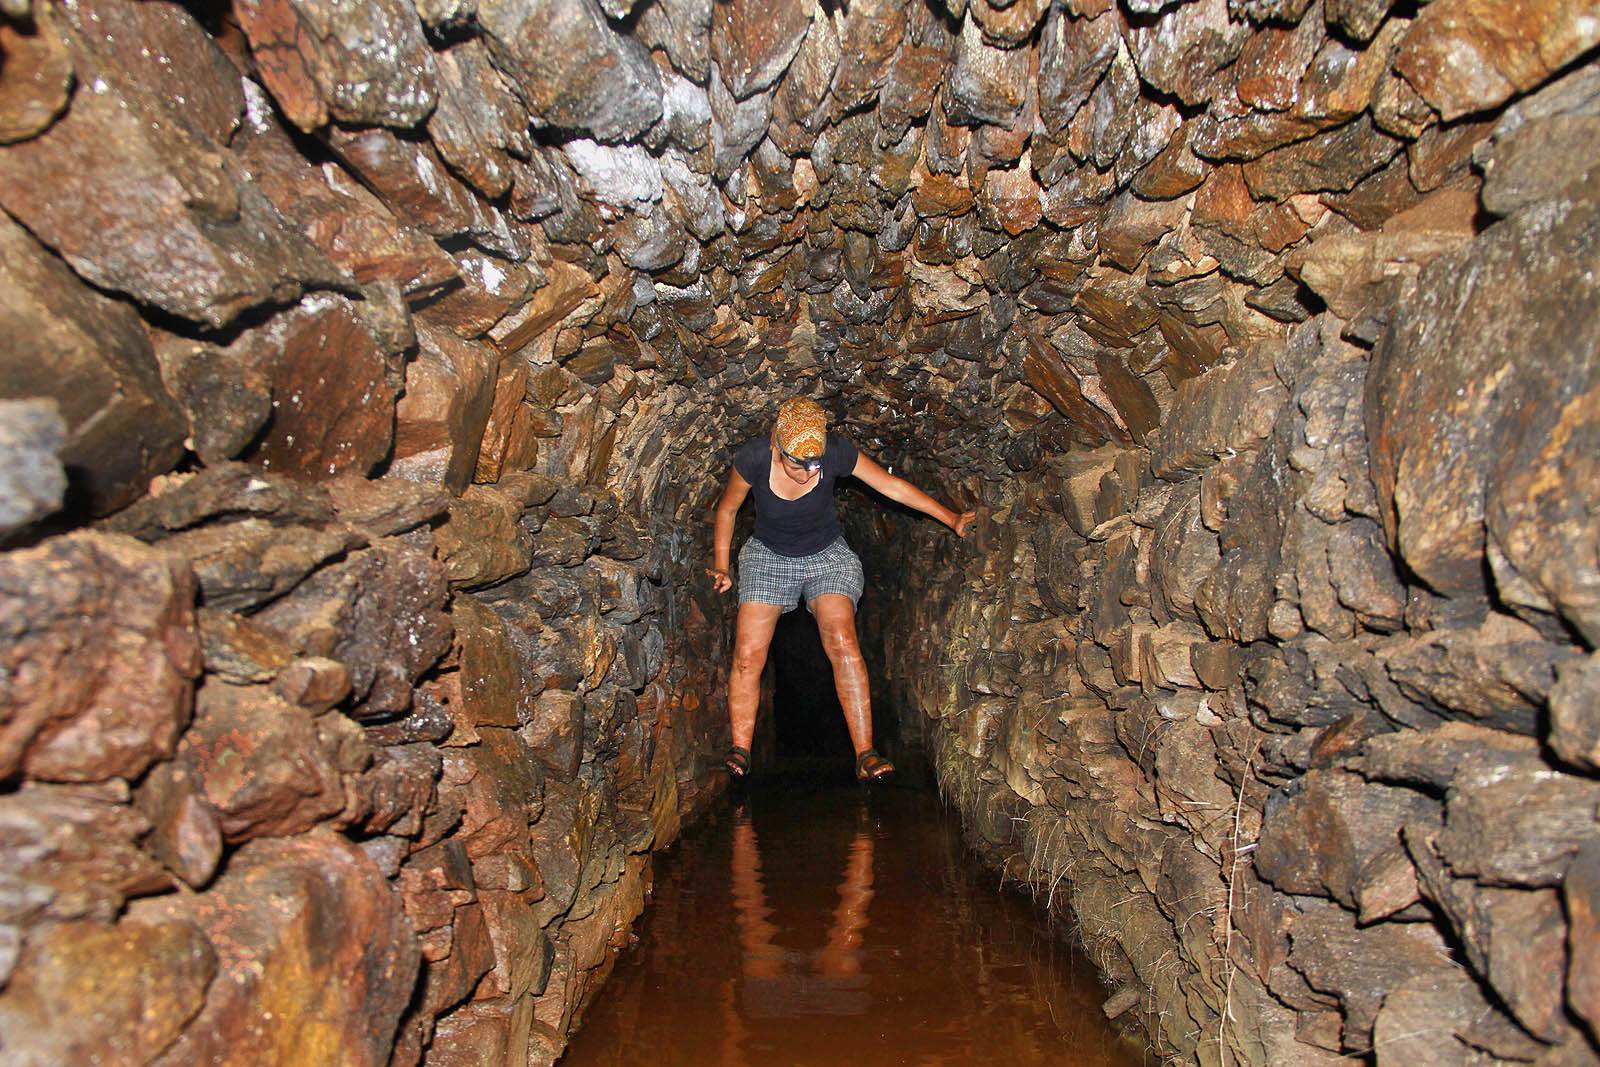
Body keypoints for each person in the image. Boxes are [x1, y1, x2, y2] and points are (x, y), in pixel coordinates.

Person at [709, 395, 975, 781]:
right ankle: (741, 750)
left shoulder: (834, 453)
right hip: (767, 557)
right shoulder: (753, 459)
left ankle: (865, 753)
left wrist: (951, 518)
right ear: (777, 446)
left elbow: (891, 487)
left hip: (827, 557)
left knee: (841, 639)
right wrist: (721, 565)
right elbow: (728, 509)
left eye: (813, 467)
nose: (805, 475)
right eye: (796, 465)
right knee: (749, 652)